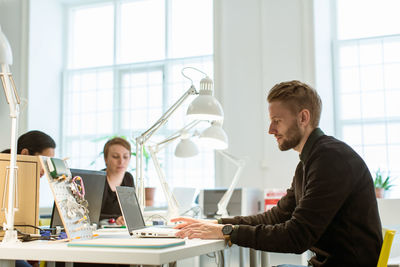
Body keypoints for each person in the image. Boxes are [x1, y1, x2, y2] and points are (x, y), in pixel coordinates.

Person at [172, 80, 383, 266]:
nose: (271, 129)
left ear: (303, 117)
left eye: (277, 120)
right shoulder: (309, 162)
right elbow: (277, 216)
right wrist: (218, 224)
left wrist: (228, 232)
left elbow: (296, 237)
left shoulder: (330, 159)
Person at [100, 137, 134, 225]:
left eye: (125, 157)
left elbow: (130, 211)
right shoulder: (98, 179)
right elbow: (91, 214)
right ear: (105, 159)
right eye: (115, 157)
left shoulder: (128, 178)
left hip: (120, 229)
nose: (121, 161)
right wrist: (115, 218)